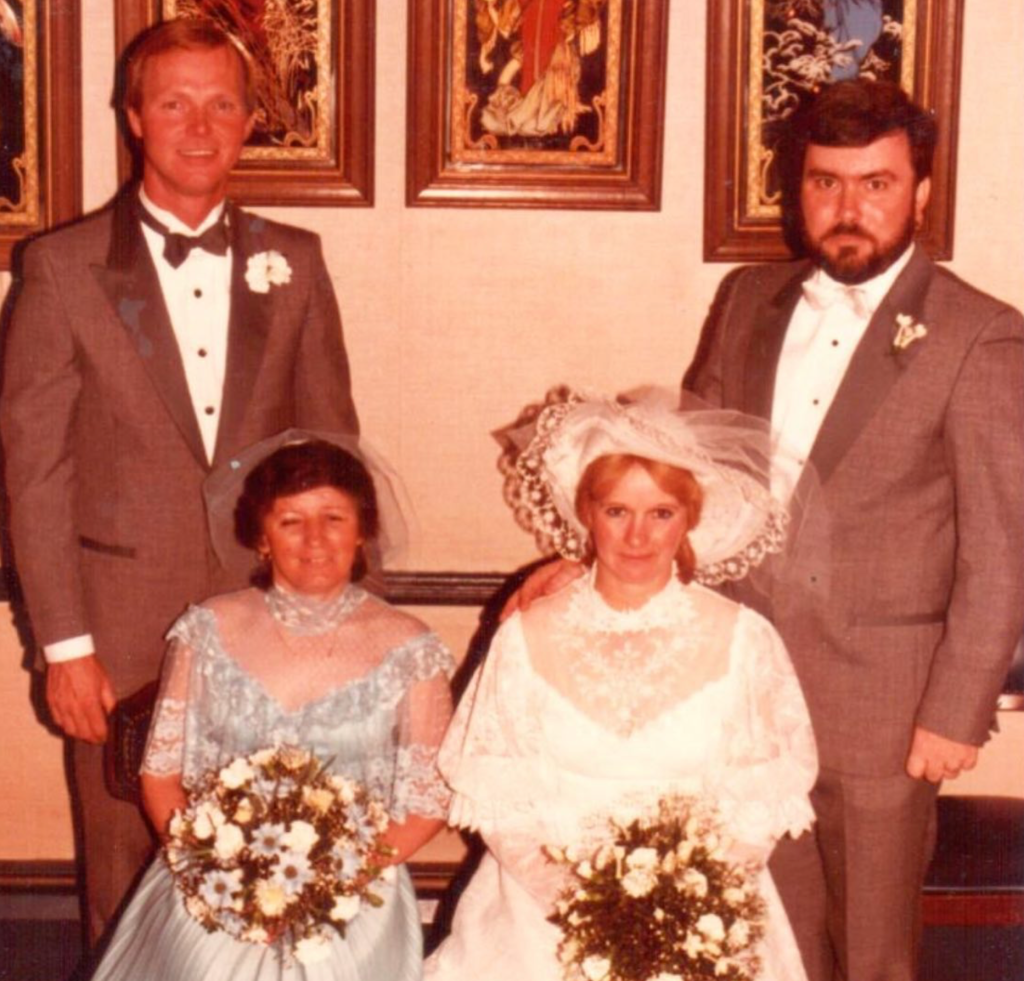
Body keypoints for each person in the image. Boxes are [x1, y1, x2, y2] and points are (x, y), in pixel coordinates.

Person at [0, 19, 358, 944]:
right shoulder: (60, 267)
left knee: (280, 852)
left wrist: (347, 616)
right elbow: (33, 471)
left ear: (247, 123)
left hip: (274, 615)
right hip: (120, 626)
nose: (198, 126)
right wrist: (65, 644)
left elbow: (333, 454)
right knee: (128, 873)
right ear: (133, 117)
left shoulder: (299, 260)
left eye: (221, 104)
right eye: (173, 103)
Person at [683, 79, 1024, 981]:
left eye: (875, 183)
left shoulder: (978, 335)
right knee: (769, 939)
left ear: (919, 193)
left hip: (886, 708)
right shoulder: (747, 299)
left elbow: (1003, 551)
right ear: (798, 189)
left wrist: (955, 711)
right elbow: (692, 479)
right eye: (826, 182)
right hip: (745, 688)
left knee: (872, 954)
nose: (847, 207)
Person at [425, 392, 818, 981]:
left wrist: (686, 904)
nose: (638, 536)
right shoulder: (524, 636)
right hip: (543, 918)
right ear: (587, 513)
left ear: (689, 519)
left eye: (661, 513)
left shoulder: (744, 639)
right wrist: (588, 909)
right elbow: (501, 803)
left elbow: (758, 805)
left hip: (702, 914)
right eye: (617, 511)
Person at [91, 433, 454, 980]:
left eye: (333, 517)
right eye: (290, 520)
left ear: (362, 532)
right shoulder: (207, 629)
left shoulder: (411, 647)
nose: (314, 539)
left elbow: (428, 805)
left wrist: (329, 880)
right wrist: (218, 872)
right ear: (261, 537)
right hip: (211, 884)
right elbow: (161, 777)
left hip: (353, 895)